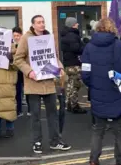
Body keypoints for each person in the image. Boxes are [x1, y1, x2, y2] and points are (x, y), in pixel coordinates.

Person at [81, 18, 121, 165]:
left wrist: (94, 85)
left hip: (98, 94)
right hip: (117, 92)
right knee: (119, 131)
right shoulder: (120, 45)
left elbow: (85, 74)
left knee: (98, 131)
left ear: (97, 29)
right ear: (112, 29)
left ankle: (93, 163)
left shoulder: (89, 47)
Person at [14, 15, 71, 154]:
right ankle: (37, 142)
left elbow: (54, 56)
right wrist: (29, 72)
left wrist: (60, 67)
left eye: (43, 22)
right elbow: (18, 59)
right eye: (38, 22)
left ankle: (55, 141)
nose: (42, 24)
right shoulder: (26, 38)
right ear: (33, 25)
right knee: (36, 116)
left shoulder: (48, 37)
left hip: (49, 82)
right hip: (33, 83)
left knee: (53, 114)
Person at [60, 17, 86, 114]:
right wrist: (84, 46)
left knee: (70, 85)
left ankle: (69, 104)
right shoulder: (72, 35)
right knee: (75, 84)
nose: (78, 25)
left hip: (68, 63)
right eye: (76, 23)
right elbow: (76, 48)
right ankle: (74, 106)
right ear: (72, 25)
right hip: (74, 63)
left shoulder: (65, 35)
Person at [13, 27, 29, 116]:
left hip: (25, 70)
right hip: (17, 71)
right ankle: (19, 110)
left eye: (18, 35)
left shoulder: (25, 44)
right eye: (14, 35)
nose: (16, 37)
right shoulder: (12, 45)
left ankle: (30, 109)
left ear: (21, 35)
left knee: (28, 91)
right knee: (18, 91)